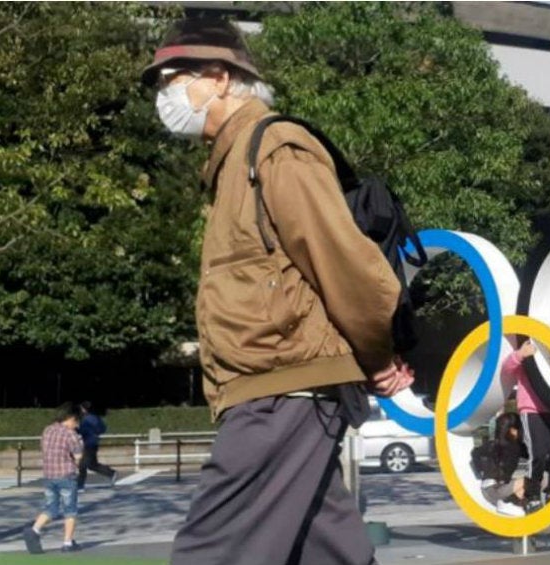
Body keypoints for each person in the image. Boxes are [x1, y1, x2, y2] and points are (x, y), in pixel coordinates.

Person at [142, 18, 413, 565]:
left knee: (212, 550)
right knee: (326, 550)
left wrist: (378, 356)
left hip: (282, 389)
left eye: (171, 78)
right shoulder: (231, 166)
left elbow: (347, 265)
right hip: (280, 391)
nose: (163, 95)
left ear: (218, 76)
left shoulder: (275, 149)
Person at [501, 339, 550, 513]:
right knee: (537, 453)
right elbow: (507, 369)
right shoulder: (528, 351)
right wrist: (520, 354)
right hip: (531, 410)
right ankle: (532, 495)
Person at [23, 403, 85, 554]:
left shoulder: (48, 430)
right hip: (66, 475)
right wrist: (79, 445)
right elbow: (78, 456)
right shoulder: (70, 434)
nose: (77, 424)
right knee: (70, 510)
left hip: (49, 475)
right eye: (77, 421)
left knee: (51, 507)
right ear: (71, 418)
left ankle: (35, 529)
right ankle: (67, 543)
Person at [479, 412, 527, 516]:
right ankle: (508, 502)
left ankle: (514, 503)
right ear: (512, 430)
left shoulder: (493, 444)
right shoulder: (513, 447)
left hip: (489, 489)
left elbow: (475, 456)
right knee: (535, 478)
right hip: (496, 490)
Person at [76, 401, 117, 490]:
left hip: (88, 443)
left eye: (81, 408)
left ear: (84, 409)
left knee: (82, 465)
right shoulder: (96, 418)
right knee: (92, 465)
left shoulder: (85, 419)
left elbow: (82, 431)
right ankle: (110, 473)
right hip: (94, 443)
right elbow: (103, 429)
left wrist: (76, 429)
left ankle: (80, 484)